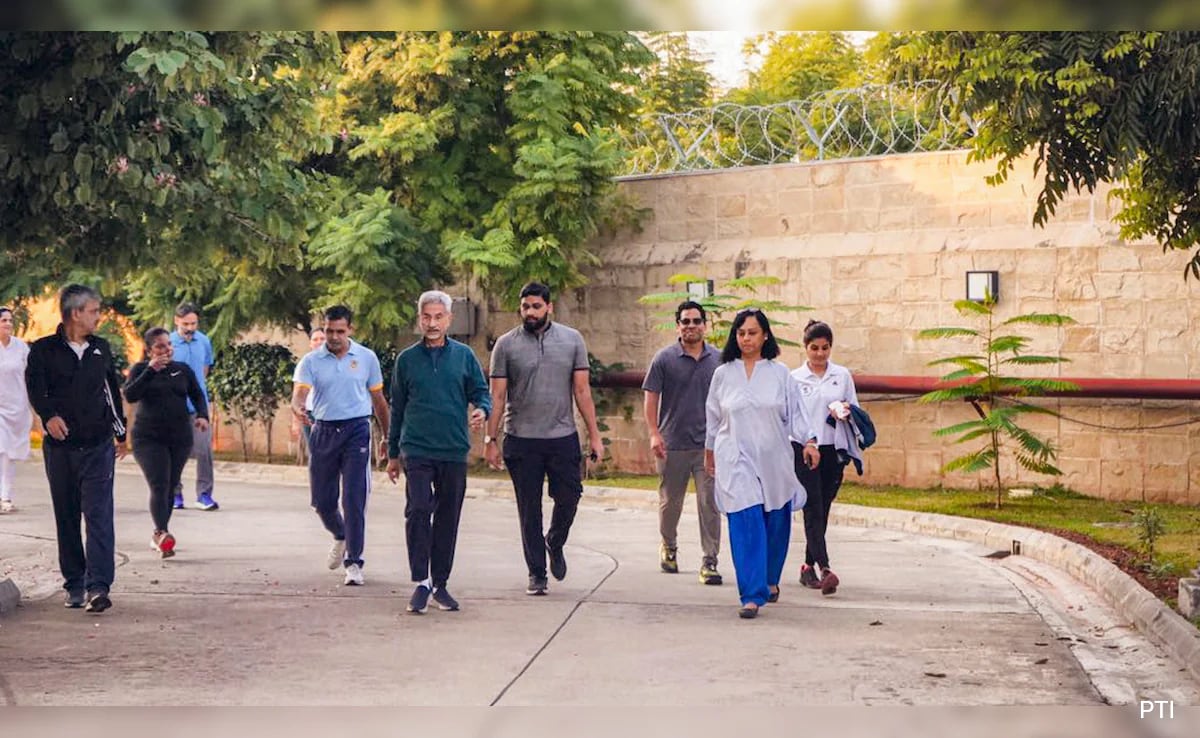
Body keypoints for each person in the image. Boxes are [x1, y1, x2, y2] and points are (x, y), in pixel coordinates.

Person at [485, 282, 604, 596]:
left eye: (536, 306)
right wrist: (490, 439)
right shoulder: (506, 345)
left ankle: (555, 540)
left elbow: (582, 391)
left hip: (562, 436)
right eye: (525, 307)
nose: (530, 312)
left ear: (549, 307)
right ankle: (537, 573)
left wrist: (595, 436)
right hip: (521, 439)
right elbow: (497, 396)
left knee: (569, 497)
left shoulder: (572, 340)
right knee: (529, 509)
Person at [704, 308, 818, 619]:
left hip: (773, 457)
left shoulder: (780, 373)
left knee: (775, 520)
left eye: (752, 332)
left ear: (765, 335)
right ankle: (751, 595)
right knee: (745, 519)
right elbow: (713, 417)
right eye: (741, 333)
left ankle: (769, 579)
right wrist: (709, 451)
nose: (746, 338)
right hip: (734, 457)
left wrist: (809, 441)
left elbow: (796, 414)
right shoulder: (723, 374)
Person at [387, 291, 492, 614]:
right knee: (418, 509)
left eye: (438, 317)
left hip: (453, 448)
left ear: (449, 319)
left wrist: (482, 411)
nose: (432, 323)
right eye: (426, 317)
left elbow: (480, 392)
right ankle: (421, 580)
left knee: (448, 517)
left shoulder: (464, 357)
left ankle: (440, 583)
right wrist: (393, 454)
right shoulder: (406, 360)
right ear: (419, 319)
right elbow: (398, 408)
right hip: (416, 448)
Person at [25, 285, 127, 613]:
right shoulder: (42, 350)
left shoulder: (101, 349)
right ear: (75, 313)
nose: (99, 317)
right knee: (67, 515)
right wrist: (48, 416)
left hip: (98, 446)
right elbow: (36, 389)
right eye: (94, 311)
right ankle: (74, 583)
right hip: (61, 449)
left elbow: (110, 389)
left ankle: (99, 586)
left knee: (98, 515)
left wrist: (120, 431)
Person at [292, 305, 389, 587]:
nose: (333, 337)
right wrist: (298, 408)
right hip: (323, 430)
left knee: (354, 497)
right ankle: (340, 534)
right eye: (328, 331)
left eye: (339, 331)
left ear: (350, 330)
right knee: (322, 501)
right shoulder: (311, 361)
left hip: (357, 429)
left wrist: (387, 437)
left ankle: (355, 561)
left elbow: (379, 402)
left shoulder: (366, 358)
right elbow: (299, 394)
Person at [642, 300, 723, 584]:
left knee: (709, 504)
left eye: (696, 321)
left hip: (708, 447)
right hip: (672, 444)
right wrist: (654, 432)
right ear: (678, 325)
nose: (691, 326)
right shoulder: (664, 359)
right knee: (670, 503)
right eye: (686, 321)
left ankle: (710, 561)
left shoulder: (719, 360)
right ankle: (669, 546)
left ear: (705, 325)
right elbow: (651, 397)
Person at [123, 328, 210, 559]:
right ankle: (161, 533)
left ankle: (161, 533)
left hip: (179, 437)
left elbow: (197, 394)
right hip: (148, 438)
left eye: (168, 345)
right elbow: (130, 394)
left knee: (171, 484)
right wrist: (151, 370)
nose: (167, 350)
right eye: (160, 346)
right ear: (150, 349)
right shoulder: (141, 369)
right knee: (159, 483)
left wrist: (202, 415)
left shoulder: (182, 370)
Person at [791, 320, 858, 596]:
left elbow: (855, 408)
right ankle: (826, 567)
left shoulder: (841, 375)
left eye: (825, 348)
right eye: (814, 348)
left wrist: (843, 410)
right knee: (813, 506)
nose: (820, 354)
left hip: (834, 449)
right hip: (806, 449)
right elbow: (792, 416)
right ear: (805, 348)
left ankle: (807, 567)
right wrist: (806, 441)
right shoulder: (794, 378)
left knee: (824, 507)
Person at [169, 302, 218, 511]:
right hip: (173, 407)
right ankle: (175, 494)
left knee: (204, 449)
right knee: (174, 451)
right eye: (186, 324)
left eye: (194, 323)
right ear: (176, 321)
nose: (190, 328)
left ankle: (204, 494)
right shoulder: (168, 342)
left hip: (198, 407)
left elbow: (205, 369)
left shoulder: (204, 341)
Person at [0, 307, 32, 514]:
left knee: (11, 455)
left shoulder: (21, 348)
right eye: (4, 321)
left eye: (10, 320)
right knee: (1, 450)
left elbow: (32, 376)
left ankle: (6, 496)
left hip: (18, 407)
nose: (8, 324)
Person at [291, 327, 326, 454]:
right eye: (315, 339)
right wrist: (295, 421)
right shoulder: (304, 363)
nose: (319, 342)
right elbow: (296, 392)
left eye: (322, 338)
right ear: (310, 344)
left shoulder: (337, 361)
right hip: (310, 413)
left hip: (331, 414)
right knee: (315, 452)